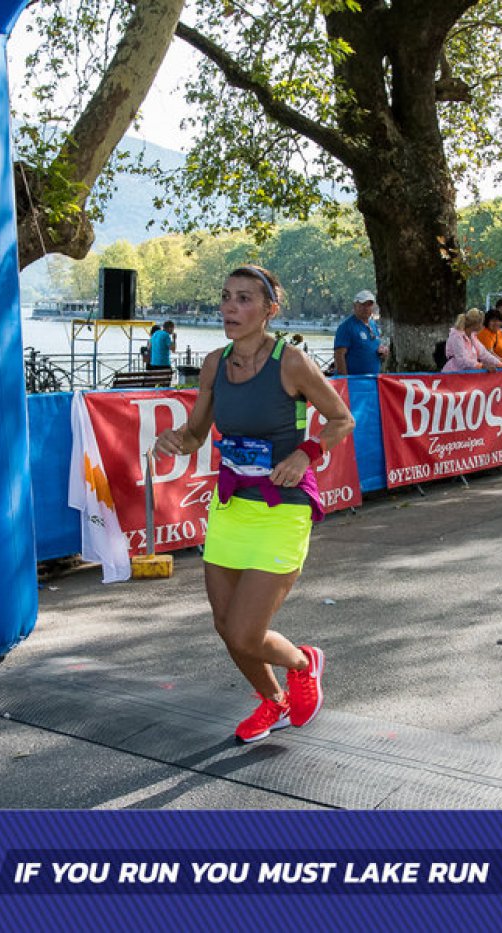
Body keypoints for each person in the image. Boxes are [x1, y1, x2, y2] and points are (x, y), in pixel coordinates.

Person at [155, 265, 355, 743]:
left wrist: (305, 454)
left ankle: (303, 664)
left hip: (283, 509)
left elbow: (342, 420)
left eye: (244, 298)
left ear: (270, 310)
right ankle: (274, 700)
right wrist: (174, 439)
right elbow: (196, 433)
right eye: (226, 296)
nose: (230, 307)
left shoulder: (291, 362)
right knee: (226, 626)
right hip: (231, 506)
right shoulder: (213, 364)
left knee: (246, 632)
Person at [334, 290, 383, 375]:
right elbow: (339, 355)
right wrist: (344, 379)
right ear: (354, 306)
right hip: (354, 380)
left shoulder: (373, 324)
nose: (366, 308)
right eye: (363, 304)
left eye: (369, 304)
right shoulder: (346, 327)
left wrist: (382, 353)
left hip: (373, 379)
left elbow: (375, 347)